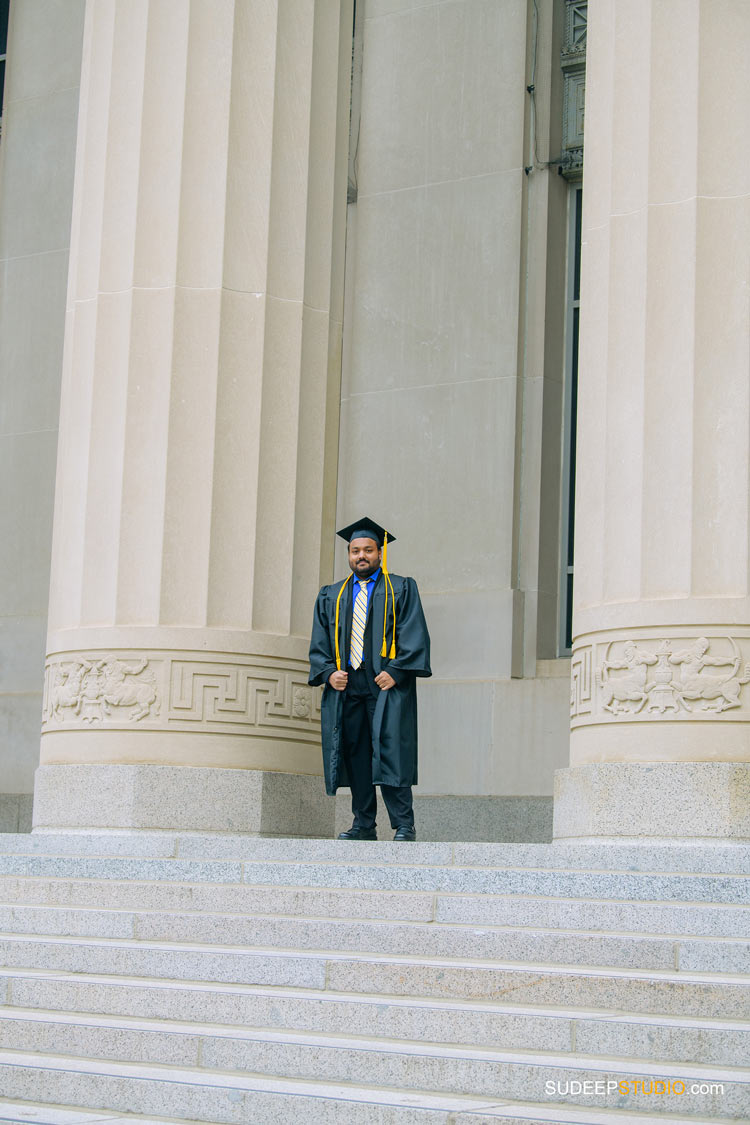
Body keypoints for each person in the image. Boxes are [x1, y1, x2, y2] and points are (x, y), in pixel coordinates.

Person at [308, 517, 431, 840]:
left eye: (368, 550)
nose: (361, 556)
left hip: (384, 685)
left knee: (391, 752)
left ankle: (404, 825)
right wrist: (327, 673)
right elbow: (319, 642)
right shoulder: (331, 595)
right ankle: (363, 824)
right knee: (356, 753)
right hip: (348, 686)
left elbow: (413, 632)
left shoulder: (401, 588)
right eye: (355, 551)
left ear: (380, 552)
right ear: (349, 554)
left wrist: (396, 671)